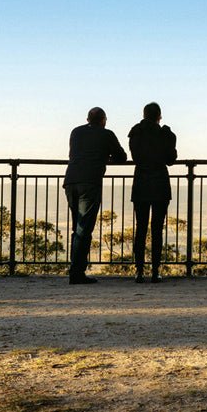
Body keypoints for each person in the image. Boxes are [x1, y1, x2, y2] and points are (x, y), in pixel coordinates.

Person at [63, 106, 127, 284]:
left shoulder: (76, 132)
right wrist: (104, 158)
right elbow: (122, 157)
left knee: (77, 227)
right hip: (89, 183)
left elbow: (73, 153)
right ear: (103, 120)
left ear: (87, 119)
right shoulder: (106, 134)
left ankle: (75, 269)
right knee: (84, 229)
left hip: (71, 180)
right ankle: (76, 273)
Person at [127, 102, 178, 283]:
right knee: (157, 229)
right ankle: (155, 271)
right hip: (160, 184)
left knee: (140, 228)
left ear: (144, 114)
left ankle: (139, 271)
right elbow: (171, 159)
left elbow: (135, 156)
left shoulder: (135, 132)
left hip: (141, 183)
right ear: (159, 116)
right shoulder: (165, 134)